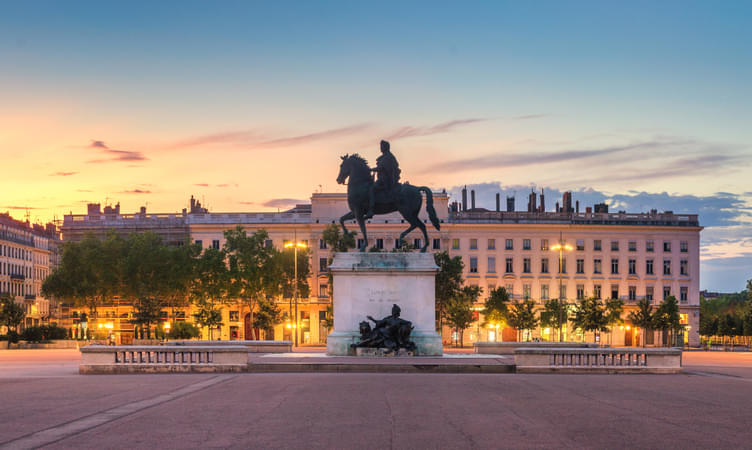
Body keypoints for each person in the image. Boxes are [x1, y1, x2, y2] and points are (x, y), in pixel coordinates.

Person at [366, 140, 401, 219]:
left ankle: (371, 209)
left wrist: (371, 169)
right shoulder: (386, 156)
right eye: (380, 147)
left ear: (385, 147)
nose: (380, 148)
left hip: (385, 179)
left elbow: (382, 168)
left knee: (371, 189)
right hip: (383, 177)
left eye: (382, 147)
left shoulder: (388, 157)